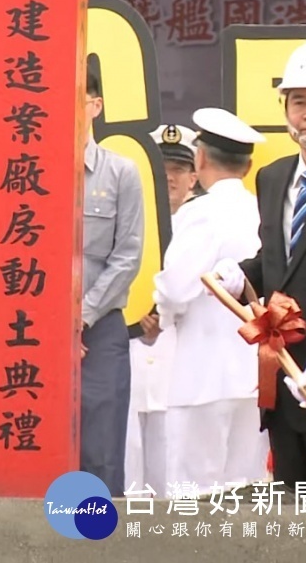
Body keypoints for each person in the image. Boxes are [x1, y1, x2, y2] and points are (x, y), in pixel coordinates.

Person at [213, 36, 306, 499]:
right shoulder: (273, 178)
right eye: (300, 102)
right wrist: (242, 275)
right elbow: (278, 264)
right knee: (292, 524)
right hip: (284, 384)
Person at [155, 108, 268, 495]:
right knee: (245, 489)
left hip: (202, 372)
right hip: (254, 374)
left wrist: (163, 310)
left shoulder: (200, 212)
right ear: (249, 165)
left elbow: (175, 288)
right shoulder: (261, 210)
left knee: (193, 491)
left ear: (199, 158)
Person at [80, 72, 145, 497]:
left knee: (99, 450)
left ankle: (95, 548)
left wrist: (80, 316)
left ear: (95, 105)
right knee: (32, 444)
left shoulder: (122, 173)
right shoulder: (23, 175)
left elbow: (128, 256)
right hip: (31, 330)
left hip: (99, 328)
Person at [124, 123, 197, 494]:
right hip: (127, 358)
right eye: (161, 168)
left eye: (179, 169)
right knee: (127, 479)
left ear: (194, 176)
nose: (169, 177)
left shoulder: (202, 224)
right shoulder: (125, 218)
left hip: (179, 364)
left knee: (176, 483)